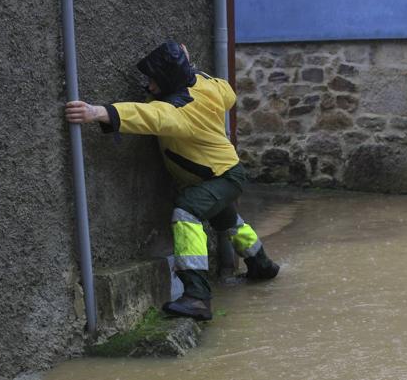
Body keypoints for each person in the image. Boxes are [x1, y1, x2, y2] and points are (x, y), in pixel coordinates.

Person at [65, 41, 279, 321]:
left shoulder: (178, 111)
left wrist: (97, 112)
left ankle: (197, 298)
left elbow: (146, 115)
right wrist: (184, 61)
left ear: (168, 79)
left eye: (154, 81)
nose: (150, 88)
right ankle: (262, 265)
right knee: (228, 222)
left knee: (186, 211)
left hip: (219, 176)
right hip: (225, 172)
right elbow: (227, 91)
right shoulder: (206, 84)